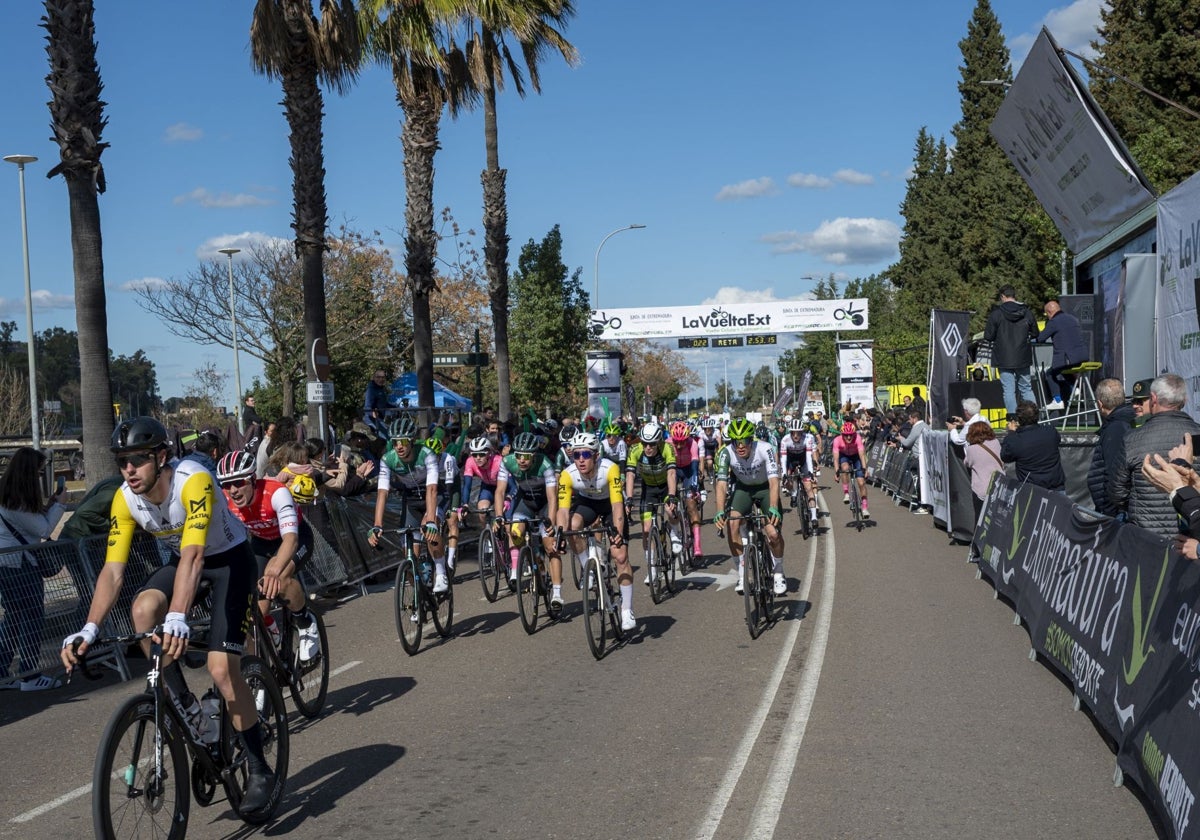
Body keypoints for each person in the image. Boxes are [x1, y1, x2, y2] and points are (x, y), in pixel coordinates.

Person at [60, 418, 277, 812]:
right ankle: (188, 708)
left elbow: (195, 555)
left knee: (222, 669)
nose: (129, 470)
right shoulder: (125, 499)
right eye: (122, 461)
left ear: (161, 458)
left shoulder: (192, 481)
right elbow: (113, 570)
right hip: (184, 561)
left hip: (228, 562)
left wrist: (177, 615)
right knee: (142, 609)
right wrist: (88, 630)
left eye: (138, 460)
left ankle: (260, 769)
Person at [215, 450, 319, 661]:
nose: (233, 490)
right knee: (254, 614)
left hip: (294, 537)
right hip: (262, 543)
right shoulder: (225, 502)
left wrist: (273, 571)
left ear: (253, 479)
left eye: (239, 482)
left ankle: (305, 622)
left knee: (278, 580)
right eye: (226, 485)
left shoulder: (276, 492)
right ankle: (269, 635)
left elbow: (291, 540)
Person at [0, 448, 67, 690]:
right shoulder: (16, 501)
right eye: (39, 472)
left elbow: (34, 525)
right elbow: (44, 530)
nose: (41, 477)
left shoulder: (9, 496)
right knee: (32, 616)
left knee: (14, 616)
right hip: (20, 564)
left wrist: (49, 506)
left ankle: (3, 671)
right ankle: (29, 674)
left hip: (8, 563)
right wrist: (59, 506)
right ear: (28, 473)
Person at [557, 431, 634, 629]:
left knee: (620, 556)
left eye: (586, 455)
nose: (580, 460)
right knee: (572, 527)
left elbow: (618, 507)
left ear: (596, 455)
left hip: (610, 504)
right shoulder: (567, 475)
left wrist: (616, 532)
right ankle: (588, 568)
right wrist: (560, 533)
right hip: (588, 503)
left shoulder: (610, 469)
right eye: (576, 455)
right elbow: (563, 511)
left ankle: (626, 609)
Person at [1108, 373, 1200, 536]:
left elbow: (1116, 492)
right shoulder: (1197, 434)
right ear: (1185, 401)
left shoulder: (1132, 439)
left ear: (1153, 399)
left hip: (1147, 537)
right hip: (1190, 535)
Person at [367, 417, 448, 593]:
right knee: (410, 556)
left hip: (432, 496)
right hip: (410, 500)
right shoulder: (388, 459)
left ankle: (441, 572)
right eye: (395, 442)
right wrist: (377, 525)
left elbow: (432, 489)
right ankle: (418, 597)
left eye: (403, 442)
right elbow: (383, 492)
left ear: (411, 440)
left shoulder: (426, 454)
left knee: (429, 530)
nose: (399, 447)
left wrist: (432, 520)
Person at [712, 418, 786, 597]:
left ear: (751, 440)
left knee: (773, 534)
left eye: (744, 441)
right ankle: (742, 573)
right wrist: (720, 510)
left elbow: (774, 481)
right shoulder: (725, 453)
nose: (740, 446)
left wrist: (774, 506)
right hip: (744, 489)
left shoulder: (765, 448)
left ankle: (778, 571)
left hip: (765, 489)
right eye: (735, 442)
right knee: (732, 524)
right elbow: (721, 484)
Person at [494, 431, 562, 602]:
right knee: (515, 531)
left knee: (549, 545)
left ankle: (557, 594)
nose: (521, 460)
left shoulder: (545, 465)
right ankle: (527, 563)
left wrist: (550, 524)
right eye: (518, 455)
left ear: (534, 455)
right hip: (526, 503)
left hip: (545, 503)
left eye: (526, 456)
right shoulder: (507, 462)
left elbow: (553, 497)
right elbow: (500, 491)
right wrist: (499, 516)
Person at [625, 422, 681, 585]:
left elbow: (671, 473)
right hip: (648, 489)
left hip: (665, 486)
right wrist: (628, 498)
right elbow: (630, 475)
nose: (648, 447)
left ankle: (675, 532)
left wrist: (671, 496)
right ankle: (652, 569)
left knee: (671, 511)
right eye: (644, 443)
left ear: (659, 442)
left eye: (652, 444)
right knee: (646, 530)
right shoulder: (635, 450)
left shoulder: (667, 448)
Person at [983, 284, 1038, 415]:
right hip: (1023, 356)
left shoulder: (996, 314)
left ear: (1002, 296)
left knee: (1008, 390)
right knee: (1026, 388)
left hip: (1003, 357)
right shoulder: (1026, 312)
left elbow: (988, 336)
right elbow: (1036, 333)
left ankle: (1013, 420)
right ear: (1014, 295)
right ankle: (1034, 417)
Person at [1087, 378, 1135, 517]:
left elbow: (1114, 472)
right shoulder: (1119, 424)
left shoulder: (1116, 428)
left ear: (1100, 404)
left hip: (1113, 510)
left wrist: (1109, 510)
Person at [1000, 401, 1065, 491]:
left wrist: (1011, 433)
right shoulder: (1051, 432)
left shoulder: (1015, 440)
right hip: (1055, 487)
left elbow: (1005, 456)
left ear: (1019, 418)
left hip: (1033, 493)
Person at [1037, 300, 1089, 410]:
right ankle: (1076, 389)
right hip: (1082, 356)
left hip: (1068, 358)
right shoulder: (1073, 319)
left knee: (1050, 373)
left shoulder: (1054, 322)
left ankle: (1057, 400)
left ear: (1049, 312)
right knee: (1065, 370)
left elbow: (1040, 338)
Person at [779, 418, 819, 526]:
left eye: (798, 433)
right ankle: (793, 492)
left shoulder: (808, 438)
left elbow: (808, 457)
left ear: (802, 432)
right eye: (793, 433)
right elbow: (783, 459)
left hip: (803, 459)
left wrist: (810, 472)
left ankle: (814, 517)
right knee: (786, 481)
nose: (796, 436)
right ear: (790, 432)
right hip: (790, 460)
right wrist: (784, 474)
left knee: (808, 487)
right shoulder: (785, 440)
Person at [962, 422, 1005, 521]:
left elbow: (967, 463)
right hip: (999, 485)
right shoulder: (996, 442)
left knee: (980, 519)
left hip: (982, 489)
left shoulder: (971, 449)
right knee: (998, 519)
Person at [832, 420, 870, 518]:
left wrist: (865, 469)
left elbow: (862, 455)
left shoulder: (857, 438)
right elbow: (836, 459)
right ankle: (846, 493)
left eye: (851, 435)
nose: (848, 437)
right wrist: (836, 472)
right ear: (842, 434)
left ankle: (865, 507)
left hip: (856, 456)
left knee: (861, 483)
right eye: (846, 435)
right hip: (844, 456)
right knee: (844, 468)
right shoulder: (837, 440)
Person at [897, 408, 931, 514]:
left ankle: (923, 505)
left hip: (918, 457)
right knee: (925, 481)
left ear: (915, 418)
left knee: (919, 481)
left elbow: (907, 443)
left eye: (910, 419)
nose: (909, 421)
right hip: (926, 457)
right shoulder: (926, 426)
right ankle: (926, 504)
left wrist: (901, 438)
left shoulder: (917, 428)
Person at [362, 369, 392, 439]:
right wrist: (372, 413)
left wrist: (397, 408)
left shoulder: (380, 389)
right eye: (378, 377)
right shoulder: (371, 390)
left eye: (383, 377)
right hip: (371, 420)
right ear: (373, 378)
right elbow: (367, 407)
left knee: (391, 434)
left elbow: (384, 404)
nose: (381, 379)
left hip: (380, 420)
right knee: (386, 438)